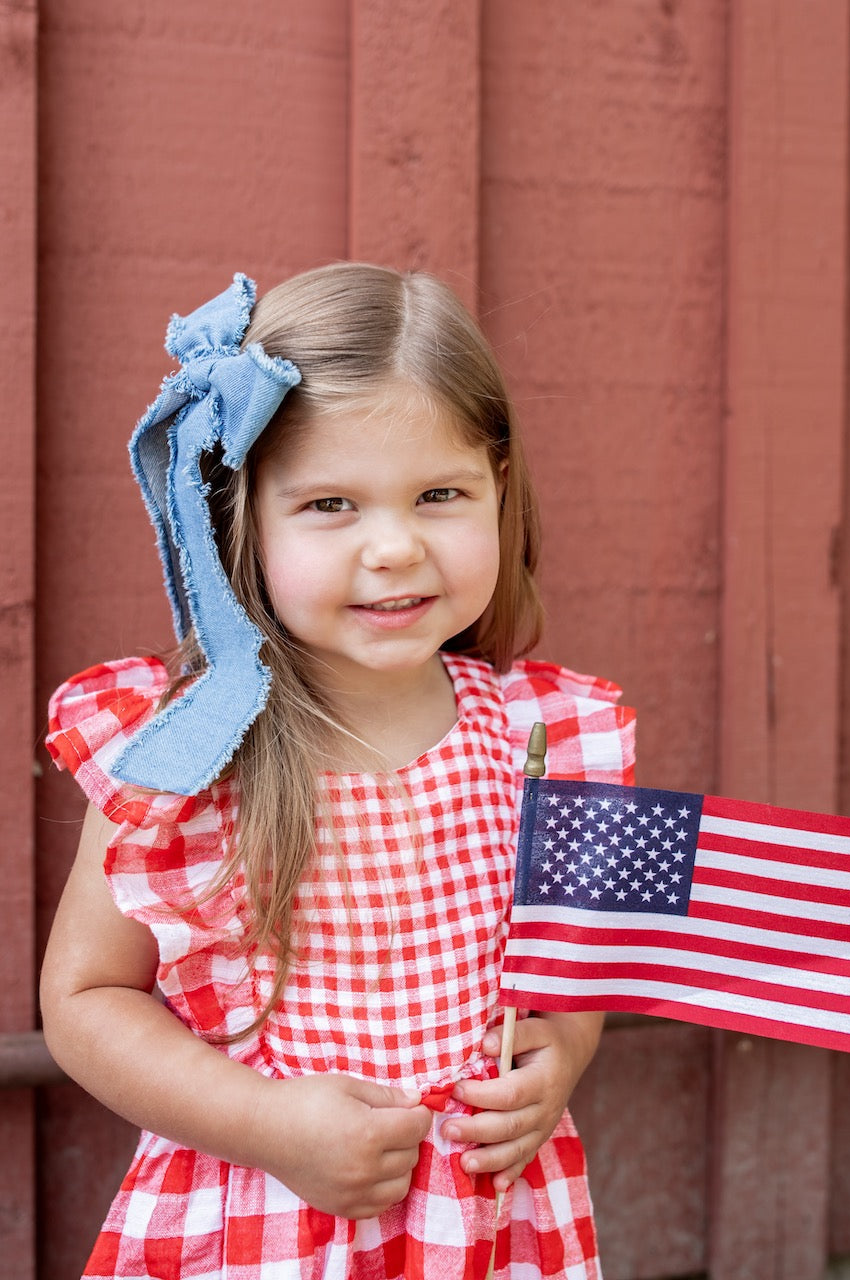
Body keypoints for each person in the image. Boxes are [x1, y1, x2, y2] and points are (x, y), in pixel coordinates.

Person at [40, 264, 636, 1280]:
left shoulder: (560, 734)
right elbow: (86, 998)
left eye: (438, 493)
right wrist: (268, 1121)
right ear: (242, 520)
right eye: (329, 503)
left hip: (488, 1228)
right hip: (263, 1219)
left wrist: (565, 1050)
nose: (394, 545)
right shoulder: (189, 752)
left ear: (498, 485)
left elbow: (587, 952)